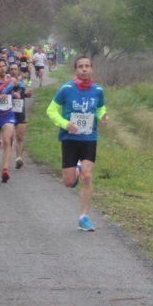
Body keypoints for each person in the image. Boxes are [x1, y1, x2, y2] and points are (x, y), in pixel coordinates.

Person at [46, 56, 107, 231]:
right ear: (76, 70)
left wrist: (103, 116)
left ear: (92, 69)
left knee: (87, 176)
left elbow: (101, 107)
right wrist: (66, 124)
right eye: (81, 66)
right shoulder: (66, 89)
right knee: (68, 181)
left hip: (89, 138)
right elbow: (51, 110)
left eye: (87, 66)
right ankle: (76, 171)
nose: (84, 69)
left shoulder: (98, 90)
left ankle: (84, 216)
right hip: (70, 139)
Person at [9, 63, 33, 169]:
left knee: (19, 136)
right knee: (9, 138)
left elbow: (21, 94)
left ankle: (19, 158)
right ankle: (9, 157)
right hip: (9, 113)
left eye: (15, 69)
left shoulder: (22, 83)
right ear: (9, 71)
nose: (14, 71)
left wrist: (26, 95)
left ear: (18, 71)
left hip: (20, 112)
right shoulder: (6, 83)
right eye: (12, 69)